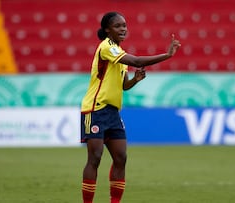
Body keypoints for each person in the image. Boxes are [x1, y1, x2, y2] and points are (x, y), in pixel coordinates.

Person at [80, 11, 181, 203]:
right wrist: (167, 55)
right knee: (95, 157)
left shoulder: (118, 52)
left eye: (124, 25)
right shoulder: (106, 47)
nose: (123, 29)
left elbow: (123, 86)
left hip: (112, 112)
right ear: (107, 30)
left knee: (121, 158)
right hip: (95, 109)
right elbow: (136, 61)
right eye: (118, 26)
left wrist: (135, 79)